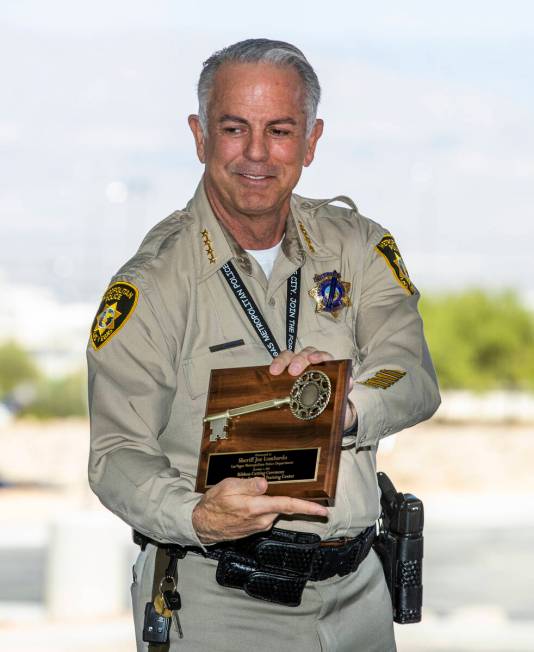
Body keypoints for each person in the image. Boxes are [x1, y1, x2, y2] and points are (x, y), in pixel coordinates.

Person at [87, 38, 440, 652]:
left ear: (311, 140)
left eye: (279, 130)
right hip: (219, 599)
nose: (256, 153)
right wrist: (195, 517)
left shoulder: (357, 247)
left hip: (359, 593)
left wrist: (345, 406)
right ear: (200, 136)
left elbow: (412, 375)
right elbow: (115, 456)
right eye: (233, 128)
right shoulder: (152, 284)